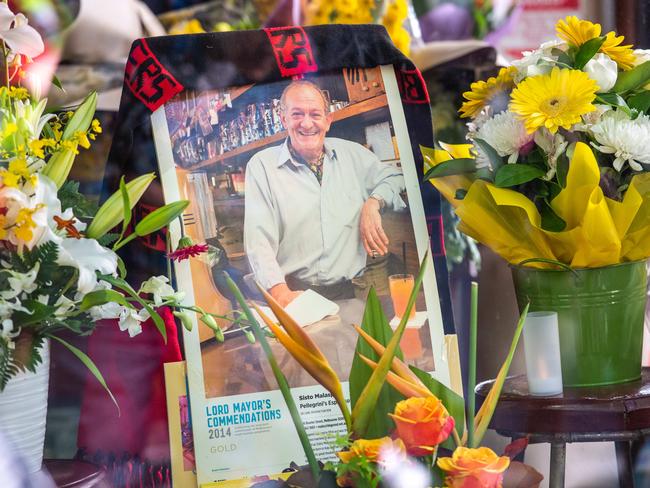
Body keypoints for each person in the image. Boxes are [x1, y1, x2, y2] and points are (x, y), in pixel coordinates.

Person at [244, 80, 406, 306]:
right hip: (295, 292)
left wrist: (373, 202)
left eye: (315, 114)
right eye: (297, 114)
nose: (307, 123)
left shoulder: (353, 155)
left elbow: (396, 177)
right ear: (284, 119)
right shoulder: (262, 166)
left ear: (328, 121)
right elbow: (258, 240)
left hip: (352, 288)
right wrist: (280, 293)